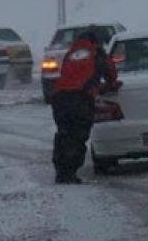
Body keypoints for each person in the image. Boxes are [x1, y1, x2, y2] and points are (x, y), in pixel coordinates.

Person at [50, 27, 120, 184]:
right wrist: (109, 85)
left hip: (59, 98)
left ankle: (61, 170)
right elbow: (111, 75)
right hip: (80, 99)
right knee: (77, 136)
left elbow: (72, 76)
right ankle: (69, 173)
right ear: (95, 41)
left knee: (64, 133)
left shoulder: (70, 54)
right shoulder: (97, 53)